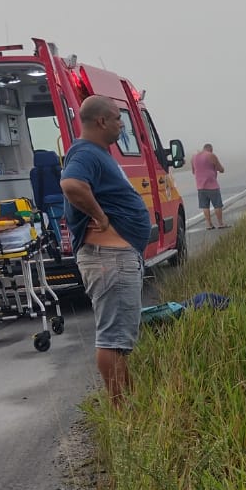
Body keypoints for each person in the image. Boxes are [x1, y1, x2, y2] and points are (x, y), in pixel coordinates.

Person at [59, 96, 153, 406]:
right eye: (117, 119)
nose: (121, 124)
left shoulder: (95, 153)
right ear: (101, 121)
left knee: (119, 341)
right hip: (110, 258)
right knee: (112, 340)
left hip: (115, 257)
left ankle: (130, 405)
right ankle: (122, 413)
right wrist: (101, 217)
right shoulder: (86, 153)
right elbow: (72, 184)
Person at [191, 143, 226, 229]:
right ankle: (220, 223)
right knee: (217, 205)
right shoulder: (211, 155)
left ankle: (209, 224)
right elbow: (221, 169)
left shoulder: (194, 157)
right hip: (212, 185)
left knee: (205, 206)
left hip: (200, 186)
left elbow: (193, 171)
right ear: (210, 149)